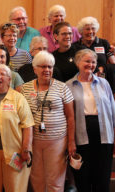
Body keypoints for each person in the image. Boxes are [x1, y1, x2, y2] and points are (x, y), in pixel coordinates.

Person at [66, 49, 115, 192]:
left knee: (102, 178)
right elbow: (67, 116)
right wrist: (70, 141)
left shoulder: (104, 83)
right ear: (78, 62)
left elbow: (113, 111)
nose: (90, 64)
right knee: (83, 178)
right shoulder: (68, 86)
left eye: (93, 62)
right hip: (81, 135)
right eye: (87, 61)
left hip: (104, 135)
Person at [21, 51, 75, 192]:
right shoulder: (25, 89)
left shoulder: (62, 87)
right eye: (43, 66)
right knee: (37, 179)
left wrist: (71, 142)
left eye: (50, 67)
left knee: (55, 181)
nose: (47, 70)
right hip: (34, 141)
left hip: (57, 140)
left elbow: (70, 117)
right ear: (35, 69)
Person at [0, 64, 34, 192]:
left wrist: (26, 149)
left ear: (9, 79)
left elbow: (28, 125)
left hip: (15, 154)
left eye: (3, 74)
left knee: (15, 189)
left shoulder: (19, 99)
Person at [73, 16, 115, 93]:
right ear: (81, 31)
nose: (90, 31)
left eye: (93, 28)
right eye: (87, 29)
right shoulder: (75, 46)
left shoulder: (104, 43)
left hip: (103, 83)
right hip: (83, 84)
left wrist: (103, 68)